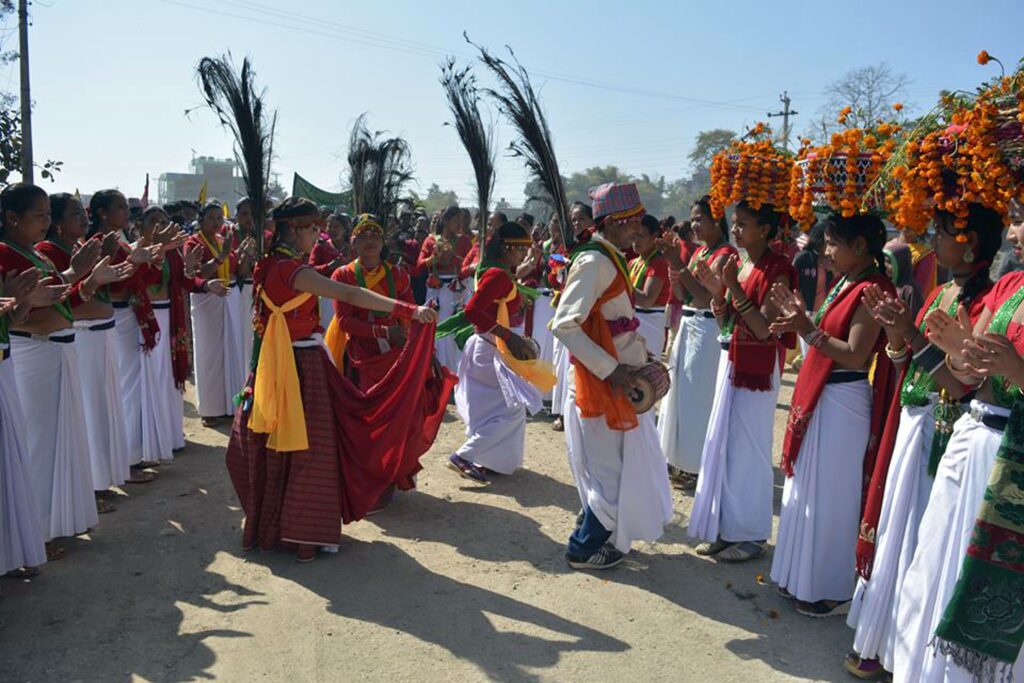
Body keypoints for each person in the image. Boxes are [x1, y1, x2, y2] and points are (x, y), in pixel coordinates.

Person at [225, 198, 442, 562]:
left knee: (279, 449)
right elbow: (350, 295)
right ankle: (303, 532)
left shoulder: (268, 264)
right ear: (294, 230)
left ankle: (277, 526)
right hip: (298, 366)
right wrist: (410, 310)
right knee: (310, 451)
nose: (317, 235)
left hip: (273, 365)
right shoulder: (291, 269)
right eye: (313, 229)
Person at [843, 204, 1003, 678]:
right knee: (895, 531)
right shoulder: (939, 291)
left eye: (941, 232)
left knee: (920, 540)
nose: (932, 240)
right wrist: (897, 336)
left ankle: (909, 650)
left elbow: (961, 386)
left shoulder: (987, 299)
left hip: (944, 433)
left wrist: (910, 333)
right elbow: (904, 363)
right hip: (912, 421)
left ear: (969, 241)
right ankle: (885, 640)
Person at [894, 210, 1024, 682]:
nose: (1013, 232)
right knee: (936, 566)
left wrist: (1016, 371)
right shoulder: (1011, 285)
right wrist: (955, 344)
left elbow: (1003, 370)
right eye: (1014, 219)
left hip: (1013, 460)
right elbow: (967, 375)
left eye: (1022, 219)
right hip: (973, 441)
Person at [767, 213, 896, 616]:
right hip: (825, 398)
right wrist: (802, 321)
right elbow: (822, 335)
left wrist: (806, 328)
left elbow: (856, 354)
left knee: (834, 499)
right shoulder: (847, 281)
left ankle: (834, 588)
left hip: (845, 403)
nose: (825, 250)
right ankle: (801, 577)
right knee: (809, 492)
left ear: (860, 247)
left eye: (833, 243)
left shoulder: (875, 289)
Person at [0, 183, 132, 556]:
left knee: (61, 440)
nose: (44, 221)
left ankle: (54, 524)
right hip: (33, 355)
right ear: (12, 218)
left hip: (56, 351)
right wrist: (27, 301)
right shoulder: (9, 254)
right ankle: (36, 533)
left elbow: (55, 299)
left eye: (46, 214)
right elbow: (19, 314)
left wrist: (78, 275)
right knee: (39, 445)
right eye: (38, 215)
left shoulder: (32, 254)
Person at [551, 182, 673, 570]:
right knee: (609, 470)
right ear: (612, 222)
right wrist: (613, 369)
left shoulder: (610, 256)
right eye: (632, 220)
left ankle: (598, 535)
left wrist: (638, 354)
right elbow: (564, 325)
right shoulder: (594, 262)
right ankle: (584, 547)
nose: (639, 226)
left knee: (613, 468)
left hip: (615, 378)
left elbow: (613, 322)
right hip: (601, 383)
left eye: (639, 219)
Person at [688, 200, 797, 562]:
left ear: (765, 229)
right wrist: (719, 291)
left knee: (748, 448)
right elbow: (726, 325)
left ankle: (750, 535)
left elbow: (765, 330)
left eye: (743, 224)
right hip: (730, 359)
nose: (734, 231)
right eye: (734, 224)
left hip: (758, 370)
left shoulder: (779, 269)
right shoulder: (742, 264)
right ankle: (725, 528)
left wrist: (730, 286)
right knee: (725, 443)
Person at [39, 193, 132, 510]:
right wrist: (88, 281)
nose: (84, 218)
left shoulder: (79, 248)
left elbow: (112, 286)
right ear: (57, 222)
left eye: (83, 212)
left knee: (99, 412)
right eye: (75, 213)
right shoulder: (48, 252)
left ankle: (101, 481)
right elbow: (63, 299)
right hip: (80, 337)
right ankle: (90, 488)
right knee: (87, 416)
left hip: (96, 336)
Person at [447, 222, 555, 484]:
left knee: (491, 410)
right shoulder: (499, 275)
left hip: (486, 345)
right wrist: (507, 335)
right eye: (521, 249)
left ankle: (487, 460)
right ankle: (463, 456)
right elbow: (473, 310)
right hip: (489, 346)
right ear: (508, 248)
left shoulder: (495, 271)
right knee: (512, 409)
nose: (523, 255)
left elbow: (497, 297)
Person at [657, 196, 736, 487]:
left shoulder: (726, 254)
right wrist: (675, 274)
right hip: (688, 324)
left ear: (717, 221)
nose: (695, 224)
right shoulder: (700, 252)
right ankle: (678, 459)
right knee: (680, 393)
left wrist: (678, 263)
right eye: (693, 219)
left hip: (706, 328)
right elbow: (682, 296)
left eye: (701, 218)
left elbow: (706, 298)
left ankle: (696, 464)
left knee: (698, 397)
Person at [328, 214, 417, 388]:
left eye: (375, 235)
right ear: (353, 242)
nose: (370, 241)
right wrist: (384, 332)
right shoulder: (343, 275)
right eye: (362, 236)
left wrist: (416, 346)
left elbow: (411, 313)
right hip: (360, 353)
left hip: (396, 349)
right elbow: (345, 322)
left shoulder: (398, 274)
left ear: (383, 242)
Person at [0, 267, 50, 576]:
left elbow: (11, 320)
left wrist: (22, 304)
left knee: (10, 467)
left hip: (5, 365)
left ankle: (10, 555)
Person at [186, 202, 246, 427]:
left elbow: (234, 270)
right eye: (211, 217)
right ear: (201, 220)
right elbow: (195, 274)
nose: (216, 222)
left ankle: (230, 404)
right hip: (206, 299)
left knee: (230, 350)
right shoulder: (193, 242)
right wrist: (221, 257)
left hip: (228, 296)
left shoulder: (224, 241)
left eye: (219, 218)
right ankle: (210, 407)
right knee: (209, 353)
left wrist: (242, 257)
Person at [417, 205, 472, 372]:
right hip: (437, 289)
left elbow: (469, 266)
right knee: (438, 325)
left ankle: (457, 371)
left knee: (456, 325)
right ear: (446, 220)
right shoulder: (431, 240)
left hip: (457, 289)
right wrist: (435, 258)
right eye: (456, 220)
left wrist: (454, 258)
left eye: (462, 220)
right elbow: (419, 266)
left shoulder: (464, 240)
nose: (460, 223)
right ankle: (439, 368)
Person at [629, 214, 670, 358]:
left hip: (649, 325)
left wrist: (620, 283)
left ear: (654, 236)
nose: (635, 241)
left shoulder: (659, 263)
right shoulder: (633, 262)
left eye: (640, 236)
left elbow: (647, 300)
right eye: (633, 236)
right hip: (632, 322)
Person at [310, 212, 350, 329]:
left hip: (348, 296)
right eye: (329, 226)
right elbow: (311, 270)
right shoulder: (321, 247)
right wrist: (331, 266)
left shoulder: (352, 248)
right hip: (326, 296)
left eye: (336, 226)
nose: (332, 230)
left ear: (345, 229)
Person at [883, 239, 924, 321]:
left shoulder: (910, 290)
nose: (885, 265)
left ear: (901, 263)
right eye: (883, 261)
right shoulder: (886, 285)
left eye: (889, 262)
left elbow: (914, 320)